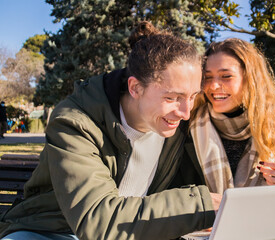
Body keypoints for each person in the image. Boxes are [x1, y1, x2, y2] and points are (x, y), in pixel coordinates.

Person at [0, 21, 220, 240]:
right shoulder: (75, 122)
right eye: (172, 98)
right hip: (53, 231)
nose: (185, 112)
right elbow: (98, 221)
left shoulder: (176, 128)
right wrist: (199, 204)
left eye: (192, 96)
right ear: (135, 88)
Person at [172, 38, 275, 216]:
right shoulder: (186, 128)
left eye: (226, 76)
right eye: (207, 77)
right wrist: (198, 202)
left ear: (251, 79)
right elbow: (168, 192)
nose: (213, 86)